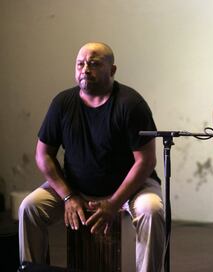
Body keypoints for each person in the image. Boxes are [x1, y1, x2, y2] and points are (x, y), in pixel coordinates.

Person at [19, 42, 165, 272]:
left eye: (94, 64)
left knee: (152, 210)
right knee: (30, 208)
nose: (85, 69)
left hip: (129, 189)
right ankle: (33, 270)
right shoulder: (62, 103)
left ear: (112, 70)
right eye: (80, 64)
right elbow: (42, 154)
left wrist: (114, 202)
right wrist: (68, 196)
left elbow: (146, 161)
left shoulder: (130, 103)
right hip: (75, 186)